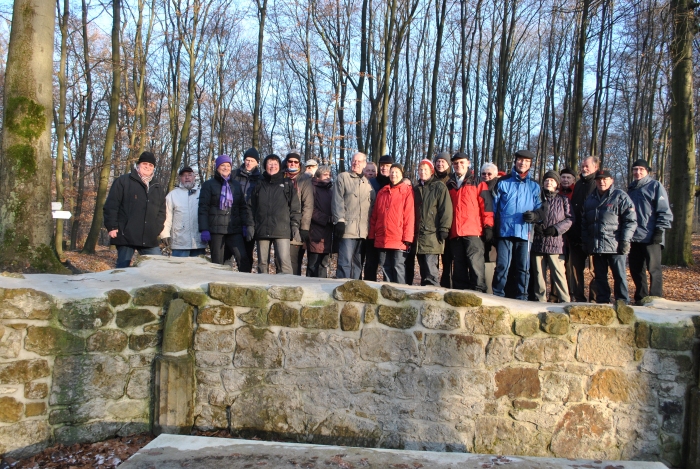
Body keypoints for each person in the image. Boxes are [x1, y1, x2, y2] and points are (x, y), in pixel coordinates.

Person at [492, 150, 543, 300]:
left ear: (530, 164)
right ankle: (498, 295)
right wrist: (492, 228)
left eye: (526, 161)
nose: (523, 163)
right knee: (502, 266)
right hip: (505, 231)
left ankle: (522, 297)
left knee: (524, 267)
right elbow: (494, 208)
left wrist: (535, 216)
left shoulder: (534, 186)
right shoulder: (502, 182)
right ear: (515, 162)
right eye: (520, 160)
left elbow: (541, 208)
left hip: (525, 231)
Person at [582, 169, 637, 304]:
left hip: (615, 245)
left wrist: (625, 240)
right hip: (596, 246)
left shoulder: (620, 197)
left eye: (605, 179)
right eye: (599, 179)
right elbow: (584, 223)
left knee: (619, 275)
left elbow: (630, 220)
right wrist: (585, 241)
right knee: (600, 277)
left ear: (611, 180)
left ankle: (622, 302)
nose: (602, 182)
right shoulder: (590, 199)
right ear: (595, 182)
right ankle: (602, 301)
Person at [104, 151, 166, 268]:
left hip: (149, 235)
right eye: (145, 164)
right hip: (126, 234)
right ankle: (119, 286)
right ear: (138, 165)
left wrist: (157, 228)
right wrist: (112, 227)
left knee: (158, 266)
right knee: (123, 268)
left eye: (151, 165)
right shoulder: (123, 181)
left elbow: (162, 211)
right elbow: (111, 205)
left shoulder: (157, 186)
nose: (147, 167)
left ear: (154, 168)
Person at [627, 159, 673, 304]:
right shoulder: (631, 189)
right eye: (635, 169)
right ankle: (641, 298)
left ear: (647, 171)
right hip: (634, 237)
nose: (637, 172)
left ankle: (656, 299)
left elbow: (664, 210)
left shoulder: (655, 186)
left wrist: (659, 230)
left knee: (654, 269)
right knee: (636, 269)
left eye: (641, 169)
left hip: (651, 236)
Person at [446, 152, 494, 292]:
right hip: (455, 232)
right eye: (455, 163)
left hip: (473, 231)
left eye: (461, 162)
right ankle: (460, 297)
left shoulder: (477, 182)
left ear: (468, 163)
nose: (458, 165)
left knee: (476, 266)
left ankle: (479, 295)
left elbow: (486, 206)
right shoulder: (450, 184)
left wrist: (488, 226)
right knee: (459, 267)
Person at [198, 155, 253, 270]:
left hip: (234, 229)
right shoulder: (208, 185)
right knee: (217, 263)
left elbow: (242, 207)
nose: (226, 168)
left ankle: (245, 284)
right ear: (217, 167)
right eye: (223, 165)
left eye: (228, 165)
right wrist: (204, 229)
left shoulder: (236, 185)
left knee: (243, 259)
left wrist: (245, 224)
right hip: (216, 230)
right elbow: (203, 208)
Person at [251, 154, 301, 274]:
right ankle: (262, 289)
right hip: (262, 229)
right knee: (262, 264)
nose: (272, 166)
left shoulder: (287, 184)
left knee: (285, 263)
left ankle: (287, 288)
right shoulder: (259, 184)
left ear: (279, 166)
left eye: (275, 164)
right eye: (270, 163)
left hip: (282, 230)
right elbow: (251, 207)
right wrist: (251, 225)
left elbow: (295, 207)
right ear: (265, 166)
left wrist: (294, 225)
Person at [531, 171, 573, 302]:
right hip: (537, 242)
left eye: (552, 181)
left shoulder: (563, 200)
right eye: (546, 180)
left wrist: (555, 229)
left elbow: (570, 219)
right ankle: (540, 302)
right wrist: (534, 225)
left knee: (559, 275)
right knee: (539, 276)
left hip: (556, 244)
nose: (549, 182)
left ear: (557, 184)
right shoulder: (536, 198)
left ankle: (566, 302)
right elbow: (529, 214)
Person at [332, 152, 376, 279]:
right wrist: (339, 220)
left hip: (363, 231)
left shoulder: (367, 184)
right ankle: (341, 288)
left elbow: (372, 206)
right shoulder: (343, 178)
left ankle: (355, 290)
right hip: (347, 229)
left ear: (364, 164)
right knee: (345, 263)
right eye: (354, 160)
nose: (355, 163)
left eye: (359, 161)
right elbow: (337, 200)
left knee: (357, 264)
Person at [369, 164, 415, 283]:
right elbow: (375, 216)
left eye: (397, 172)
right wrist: (371, 235)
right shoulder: (382, 192)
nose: (394, 174)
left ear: (401, 174)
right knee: (386, 268)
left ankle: (400, 295)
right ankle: (387, 296)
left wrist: (408, 237)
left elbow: (409, 216)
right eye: (392, 172)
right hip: (382, 237)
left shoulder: (407, 191)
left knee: (397, 267)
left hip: (398, 237)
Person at [413, 159, 453, 286]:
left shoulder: (439, 187)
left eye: (425, 169)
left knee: (431, 271)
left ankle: (434, 297)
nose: (423, 172)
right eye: (420, 169)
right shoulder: (416, 189)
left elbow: (445, 209)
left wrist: (444, 228)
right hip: (419, 235)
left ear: (431, 171)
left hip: (433, 234)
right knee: (423, 270)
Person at [568, 156, 599, 302]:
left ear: (595, 167)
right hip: (576, 234)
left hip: (592, 235)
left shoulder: (598, 183)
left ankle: (594, 299)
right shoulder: (578, 184)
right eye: (582, 165)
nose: (584, 168)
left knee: (595, 270)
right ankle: (578, 298)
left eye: (587, 166)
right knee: (575, 269)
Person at [160, 166, 206, 257]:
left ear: (194, 177)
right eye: (184, 175)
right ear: (180, 178)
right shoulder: (172, 195)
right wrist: (164, 234)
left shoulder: (202, 193)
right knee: (179, 270)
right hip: (179, 243)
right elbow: (167, 216)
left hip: (198, 242)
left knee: (199, 270)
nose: (187, 177)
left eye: (189, 175)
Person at [363, 155, 393, 280]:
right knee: (370, 262)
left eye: (387, 166)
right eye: (382, 165)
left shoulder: (395, 182)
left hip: (389, 230)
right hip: (372, 227)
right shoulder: (371, 183)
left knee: (389, 264)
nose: (384, 168)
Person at [284, 150, 313, 276]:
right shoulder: (280, 177)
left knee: (293, 261)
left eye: (296, 162)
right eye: (290, 161)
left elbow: (308, 205)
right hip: (281, 224)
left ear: (299, 164)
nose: (293, 164)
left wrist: (304, 228)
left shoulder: (305, 180)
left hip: (297, 225)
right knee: (281, 261)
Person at [232, 147, 261, 272]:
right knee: (234, 252)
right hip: (234, 219)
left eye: (252, 160)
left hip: (251, 221)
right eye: (247, 160)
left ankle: (246, 277)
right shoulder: (234, 175)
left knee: (247, 254)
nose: (248, 163)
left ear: (257, 163)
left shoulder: (260, 179)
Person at [308, 165, 334, 278]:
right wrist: (326, 219)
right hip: (315, 232)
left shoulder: (331, 190)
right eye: (325, 175)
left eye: (329, 175)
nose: (328, 177)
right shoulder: (312, 188)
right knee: (313, 264)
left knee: (323, 264)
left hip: (328, 233)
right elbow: (310, 209)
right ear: (318, 176)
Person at [433, 152, 453, 288]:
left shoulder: (452, 181)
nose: (440, 164)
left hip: (449, 226)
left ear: (448, 164)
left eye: (443, 162)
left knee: (448, 259)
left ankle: (448, 284)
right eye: (438, 161)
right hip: (432, 226)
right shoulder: (431, 180)